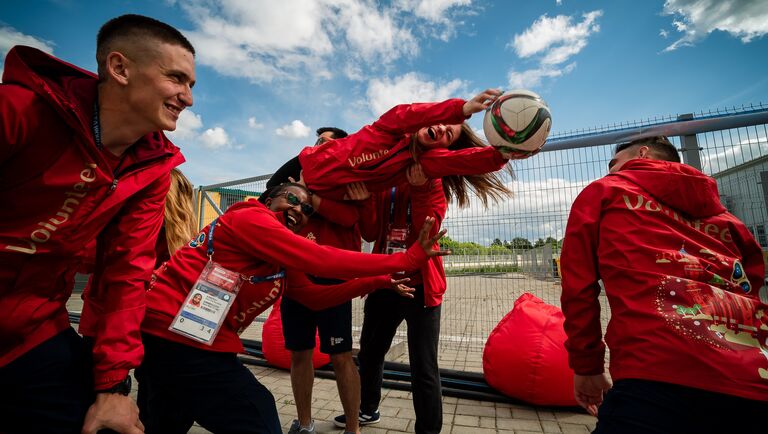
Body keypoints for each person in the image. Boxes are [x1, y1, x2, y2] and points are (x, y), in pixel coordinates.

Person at [0, 14, 194, 434]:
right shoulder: (18, 111)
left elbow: (126, 274)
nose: (188, 97)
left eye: (191, 85)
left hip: (32, 329)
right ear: (120, 68)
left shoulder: (153, 167)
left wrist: (113, 385)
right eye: (177, 79)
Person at [136, 182, 448, 434]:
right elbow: (320, 257)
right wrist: (406, 259)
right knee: (258, 414)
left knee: (164, 422)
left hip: (180, 339)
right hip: (177, 335)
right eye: (292, 199)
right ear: (269, 198)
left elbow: (312, 296)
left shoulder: (277, 257)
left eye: (307, 209)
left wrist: (377, 281)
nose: (299, 209)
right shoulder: (250, 217)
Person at [560, 136, 768, 433]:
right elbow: (750, 285)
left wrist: (587, 365)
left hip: (655, 371)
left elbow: (578, 286)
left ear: (642, 153)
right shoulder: (729, 220)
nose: (611, 171)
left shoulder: (606, 190)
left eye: (614, 164)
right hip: (752, 379)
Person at [267, 127, 370, 434]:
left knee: (341, 356)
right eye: (318, 140)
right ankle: (305, 422)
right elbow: (275, 193)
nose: (320, 144)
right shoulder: (300, 172)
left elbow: (350, 219)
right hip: (297, 276)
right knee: (299, 353)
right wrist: (300, 193)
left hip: (333, 280)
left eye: (328, 141)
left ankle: (353, 428)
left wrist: (308, 197)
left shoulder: (349, 179)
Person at [296, 89, 516, 202]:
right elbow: (412, 113)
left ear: (442, 147)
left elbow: (459, 161)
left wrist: (502, 155)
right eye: (440, 122)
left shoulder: (420, 165)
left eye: (448, 134)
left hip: (321, 195)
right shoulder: (390, 127)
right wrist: (463, 109)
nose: (440, 128)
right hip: (302, 167)